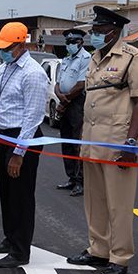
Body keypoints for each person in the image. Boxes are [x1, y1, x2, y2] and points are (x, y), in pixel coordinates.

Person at [66, 6, 138, 274]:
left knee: (119, 204)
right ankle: (98, 249)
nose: (94, 35)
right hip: (92, 140)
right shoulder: (95, 58)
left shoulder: (132, 59)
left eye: (98, 31)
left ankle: (120, 256)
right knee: (95, 202)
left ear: (113, 31)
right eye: (94, 31)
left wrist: (130, 144)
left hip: (117, 145)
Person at [0, 22, 48, 268]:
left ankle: (21, 251)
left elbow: (33, 116)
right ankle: (10, 239)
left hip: (23, 139)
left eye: (7, 48)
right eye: (0, 48)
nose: (2, 52)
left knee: (21, 196)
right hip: (5, 136)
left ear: (21, 46)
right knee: (7, 193)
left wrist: (19, 153)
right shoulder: (4, 69)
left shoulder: (33, 73)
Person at [54, 28, 92, 197]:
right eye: (67, 42)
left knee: (78, 143)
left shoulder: (86, 58)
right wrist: (60, 96)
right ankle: (70, 177)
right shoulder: (66, 60)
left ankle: (80, 180)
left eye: (73, 42)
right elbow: (58, 82)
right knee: (67, 141)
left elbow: (81, 84)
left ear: (81, 43)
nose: (69, 45)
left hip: (77, 103)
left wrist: (65, 101)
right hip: (64, 101)